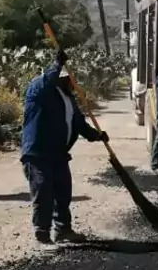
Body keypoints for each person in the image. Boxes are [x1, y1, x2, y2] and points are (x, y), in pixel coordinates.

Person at [21, 50, 108, 244]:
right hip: (38, 153)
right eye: (70, 80)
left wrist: (97, 135)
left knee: (63, 193)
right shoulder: (39, 89)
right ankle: (42, 234)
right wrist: (57, 64)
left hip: (58, 154)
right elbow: (46, 82)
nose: (74, 85)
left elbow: (78, 124)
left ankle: (63, 230)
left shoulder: (68, 99)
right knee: (43, 193)